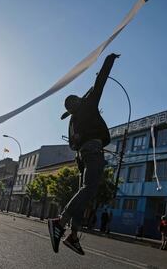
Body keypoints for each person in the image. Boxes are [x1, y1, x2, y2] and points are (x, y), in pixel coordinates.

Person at [48, 53, 120, 256]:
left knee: (84, 193)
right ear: (78, 102)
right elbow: (100, 81)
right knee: (88, 189)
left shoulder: (73, 122)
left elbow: (73, 146)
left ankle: (73, 235)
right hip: (92, 153)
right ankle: (60, 222)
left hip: (82, 156)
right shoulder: (88, 105)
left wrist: (82, 144)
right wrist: (109, 59)